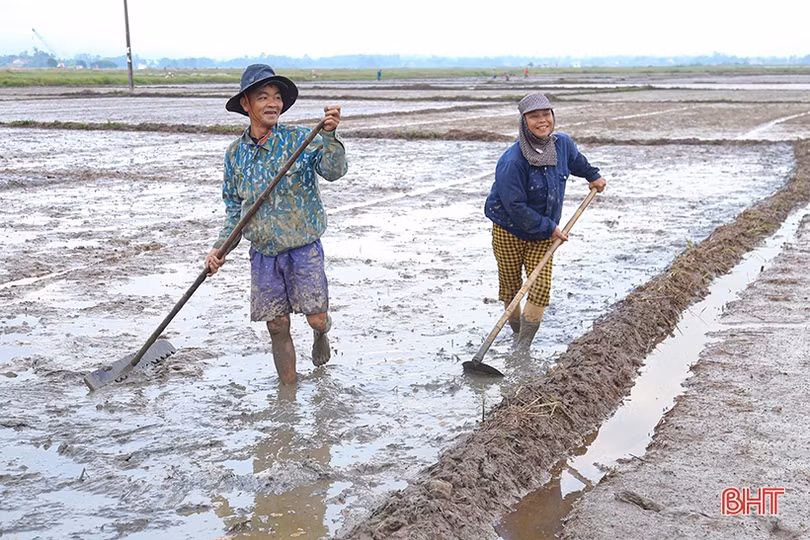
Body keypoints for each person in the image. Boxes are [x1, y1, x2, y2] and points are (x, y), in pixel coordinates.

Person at [205, 64, 348, 384]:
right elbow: (234, 207)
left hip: (302, 247)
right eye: (263, 97)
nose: (273, 103)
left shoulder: (301, 139)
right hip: (264, 252)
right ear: (246, 104)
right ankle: (288, 391)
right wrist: (220, 247)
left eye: (277, 97)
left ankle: (321, 333)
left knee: (316, 318)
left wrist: (329, 136)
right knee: (277, 325)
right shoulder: (235, 155)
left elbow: (334, 171)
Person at [484, 92, 606, 351]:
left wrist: (593, 175)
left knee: (539, 288)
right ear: (524, 121)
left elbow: (576, 162)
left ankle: (522, 346)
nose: (542, 121)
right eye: (534, 116)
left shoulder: (562, 144)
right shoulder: (512, 161)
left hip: (544, 231)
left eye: (546, 114)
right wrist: (550, 228)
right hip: (509, 228)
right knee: (511, 286)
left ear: (552, 116)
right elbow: (515, 206)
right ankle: (516, 332)